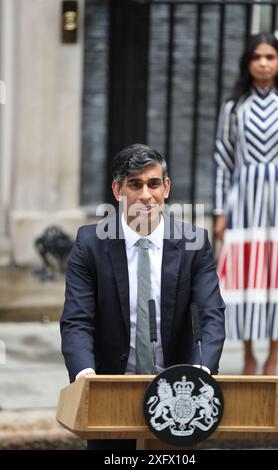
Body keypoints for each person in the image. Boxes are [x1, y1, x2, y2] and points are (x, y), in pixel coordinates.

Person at [61, 143, 225, 450]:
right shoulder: (89, 244)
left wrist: (200, 372)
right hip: (109, 394)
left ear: (166, 188)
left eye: (153, 184)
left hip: (178, 393)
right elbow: (77, 322)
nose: (145, 195)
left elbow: (210, 315)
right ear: (117, 190)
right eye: (134, 185)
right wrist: (86, 377)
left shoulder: (195, 243)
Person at [213, 33, 278, 376]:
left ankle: (273, 357)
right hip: (244, 198)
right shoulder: (233, 107)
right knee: (245, 275)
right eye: (257, 57)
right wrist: (220, 211)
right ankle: (248, 354)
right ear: (247, 63)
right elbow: (223, 160)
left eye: (270, 56)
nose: (263, 63)